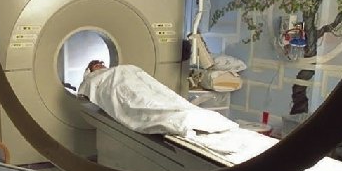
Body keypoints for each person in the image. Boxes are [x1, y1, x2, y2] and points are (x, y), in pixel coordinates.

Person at [78, 60, 237, 136]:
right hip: (117, 84)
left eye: (102, 64)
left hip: (131, 77)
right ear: (90, 70)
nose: (101, 66)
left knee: (162, 95)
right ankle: (175, 116)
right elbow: (93, 88)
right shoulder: (94, 78)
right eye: (96, 65)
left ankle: (185, 112)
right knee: (136, 99)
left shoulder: (120, 69)